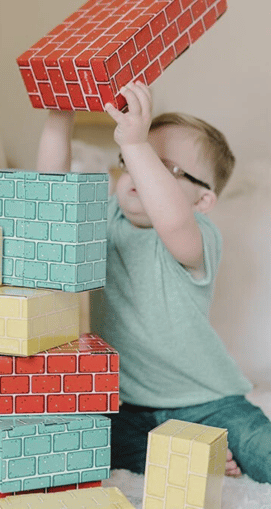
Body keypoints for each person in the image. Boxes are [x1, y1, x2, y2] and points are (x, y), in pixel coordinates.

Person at [36, 81, 271, 483]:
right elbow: (50, 194)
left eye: (162, 167)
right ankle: (189, 455)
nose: (137, 172)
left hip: (208, 402)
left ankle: (195, 449)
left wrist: (136, 144)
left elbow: (172, 218)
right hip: (127, 406)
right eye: (129, 161)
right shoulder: (107, 218)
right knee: (81, 443)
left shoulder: (197, 234)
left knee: (260, 447)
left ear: (202, 201)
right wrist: (60, 116)